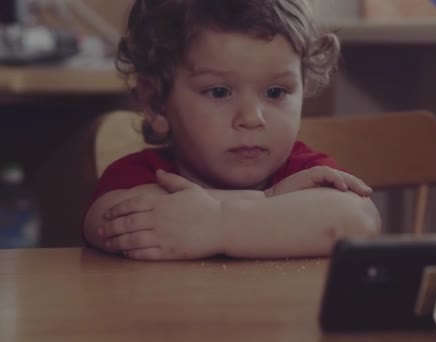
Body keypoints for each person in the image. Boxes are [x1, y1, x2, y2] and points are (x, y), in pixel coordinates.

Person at [83, 0, 381, 261]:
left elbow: (359, 219)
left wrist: (218, 223)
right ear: (157, 103)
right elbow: (105, 223)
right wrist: (271, 203)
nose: (252, 118)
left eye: (276, 92)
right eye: (219, 92)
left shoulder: (301, 171)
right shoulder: (141, 177)